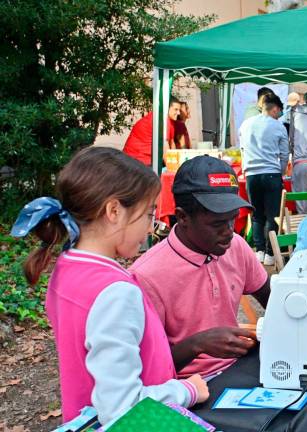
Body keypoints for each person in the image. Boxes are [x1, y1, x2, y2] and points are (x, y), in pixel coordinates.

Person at [11, 147, 209, 425]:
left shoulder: (67, 266)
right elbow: (121, 407)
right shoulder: (116, 292)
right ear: (114, 210)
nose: (150, 229)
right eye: (148, 214)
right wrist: (186, 390)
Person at [131, 155, 271, 379]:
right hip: (186, 388)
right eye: (217, 223)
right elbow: (144, 369)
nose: (228, 231)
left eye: (233, 219)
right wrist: (197, 344)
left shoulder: (235, 245)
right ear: (182, 217)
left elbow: (271, 298)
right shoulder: (147, 276)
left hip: (235, 370)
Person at [239, 93, 289, 265]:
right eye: (279, 111)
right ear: (274, 108)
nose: (279, 115)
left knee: (256, 214)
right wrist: (280, 173)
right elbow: (284, 154)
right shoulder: (278, 126)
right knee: (272, 216)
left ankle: (259, 251)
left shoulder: (246, 124)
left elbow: (242, 150)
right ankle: (270, 253)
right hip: (271, 174)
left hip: (251, 175)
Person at [122, 97, 182, 165]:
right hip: (136, 160)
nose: (179, 113)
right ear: (166, 108)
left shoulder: (167, 120)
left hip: (135, 160)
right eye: (176, 109)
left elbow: (171, 143)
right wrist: (173, 170)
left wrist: (175, 165)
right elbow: (165, 148)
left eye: (179, 110)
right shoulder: (161, 120)